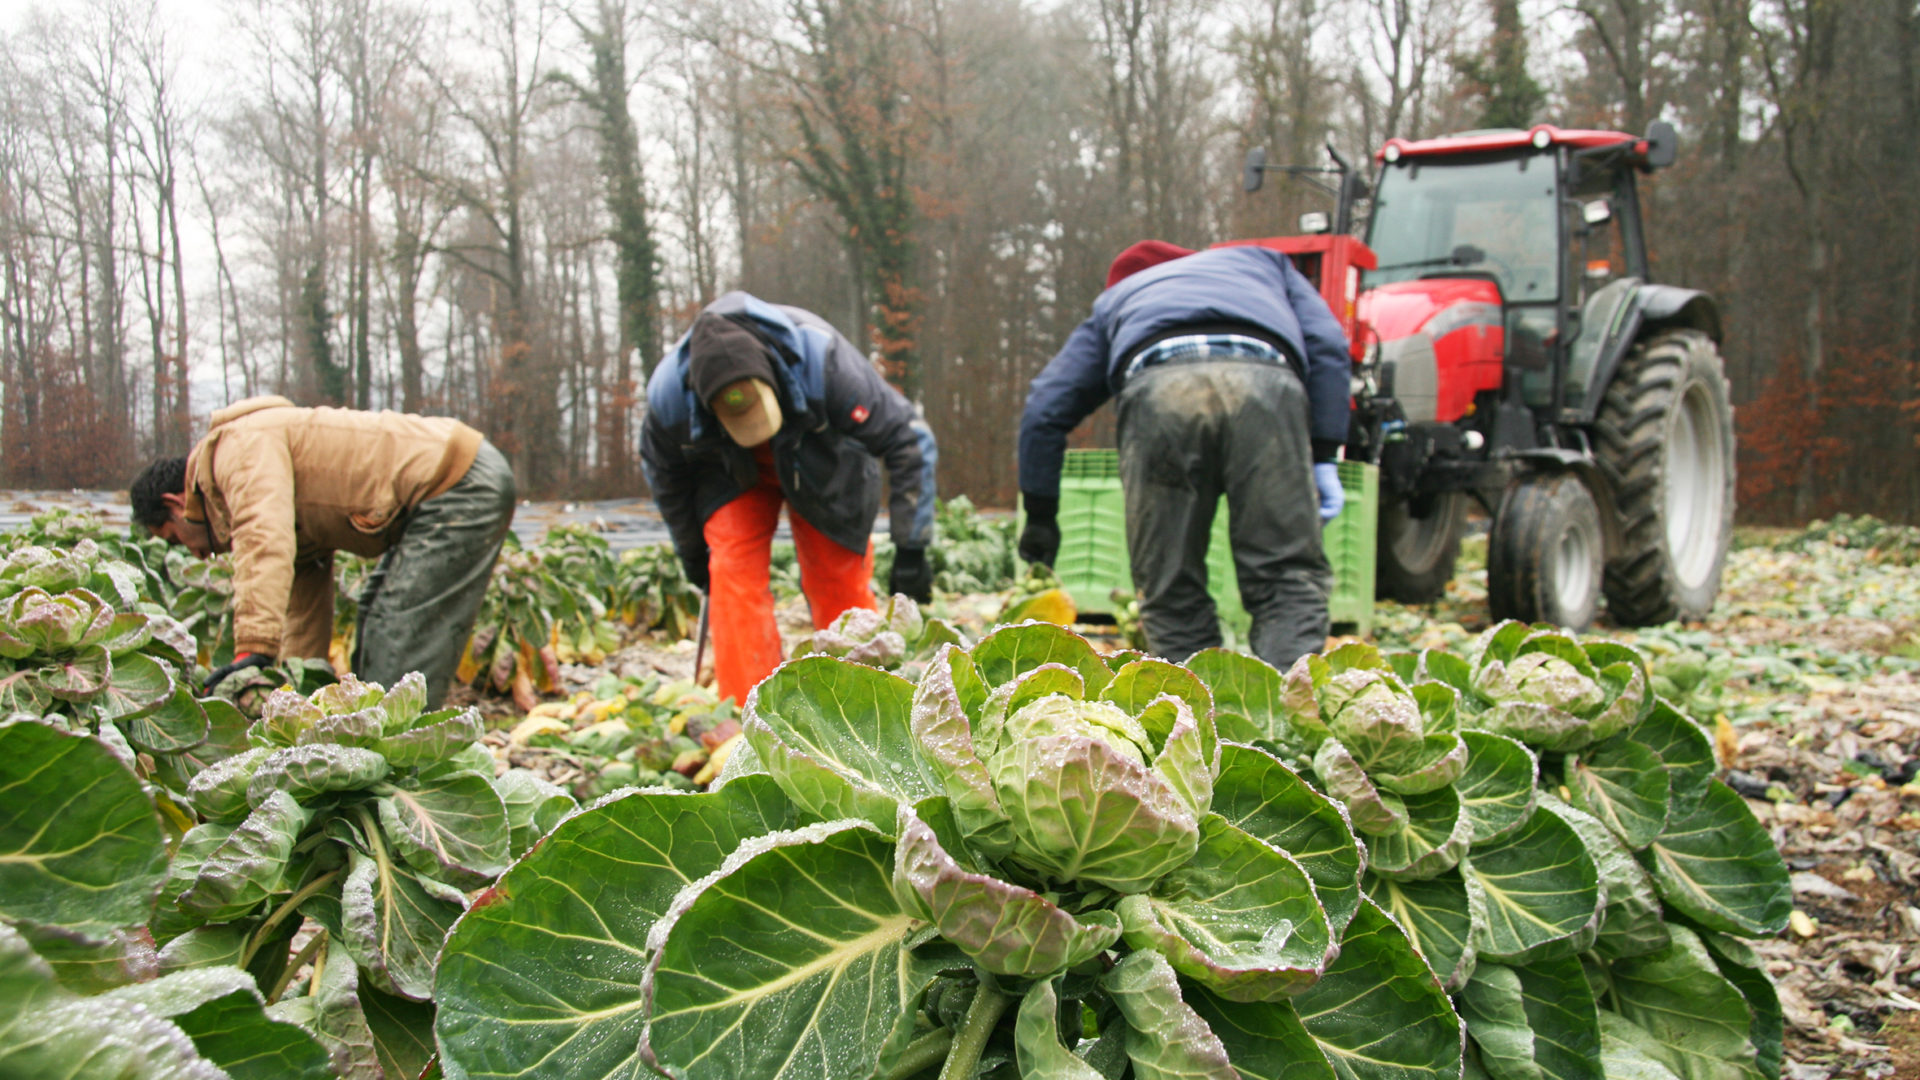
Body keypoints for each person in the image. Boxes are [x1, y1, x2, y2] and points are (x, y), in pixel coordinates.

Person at [1017, 240, 1351, 669]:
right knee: (1286, 576)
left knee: (1169, 584)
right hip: (1264, 380)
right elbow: (1328, 343)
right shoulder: (1265, 263)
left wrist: (1041, 514)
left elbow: (1045, 407)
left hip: (1160, 387)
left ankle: (1198, 716)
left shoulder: (1118, 299)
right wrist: (1324, 451)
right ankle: (1283, 711)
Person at [642, 291, 938, 706]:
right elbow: (667, 478)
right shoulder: (669, 399)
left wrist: (912, 546)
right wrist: (692, 552)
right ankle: (752, 714)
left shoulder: (824, 361)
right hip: (728, 467)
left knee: (836, 574)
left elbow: (908, 439)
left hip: (820, 456)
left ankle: (862, 702)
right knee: (730, 573)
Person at [130, 396, 516, 708]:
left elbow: (263, 536)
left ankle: (406, 768)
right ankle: (384, 755)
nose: (195, 555)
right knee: (374, 619)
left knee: (398, 640)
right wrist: (297, 691)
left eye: (176, 539)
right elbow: (304, 606)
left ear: (176, 504)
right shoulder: (248, 468)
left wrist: (251, 647)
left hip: (459, 481)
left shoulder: (238, 448)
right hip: (448, 487)